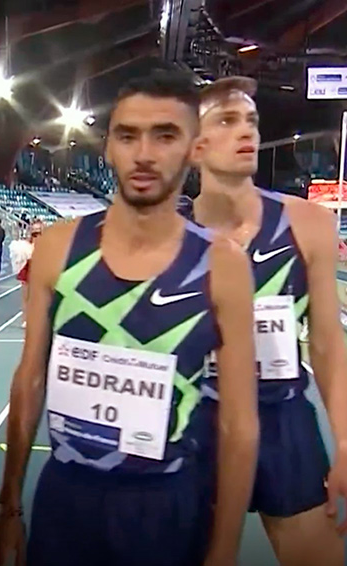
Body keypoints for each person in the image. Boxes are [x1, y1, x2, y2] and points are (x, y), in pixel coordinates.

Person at [0, 70, 260, 566]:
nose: (144, 154)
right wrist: (9, 507)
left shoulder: (223, 267)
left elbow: (239, 425)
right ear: (108, 147)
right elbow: (29, 381)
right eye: (128, 135)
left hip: (167, 506)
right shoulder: (56, 249)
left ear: (194, 149)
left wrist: (224, 549)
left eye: (165, 135)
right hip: (64, 502)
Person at [191, 76, 347, 566]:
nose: (248, 132)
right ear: (195, 145)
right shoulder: (169, 232)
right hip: (199, 424)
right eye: (227, 120)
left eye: (252, 122)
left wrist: (344, 438)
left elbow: (325, 343)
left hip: (284, 423)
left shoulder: (307, 223)